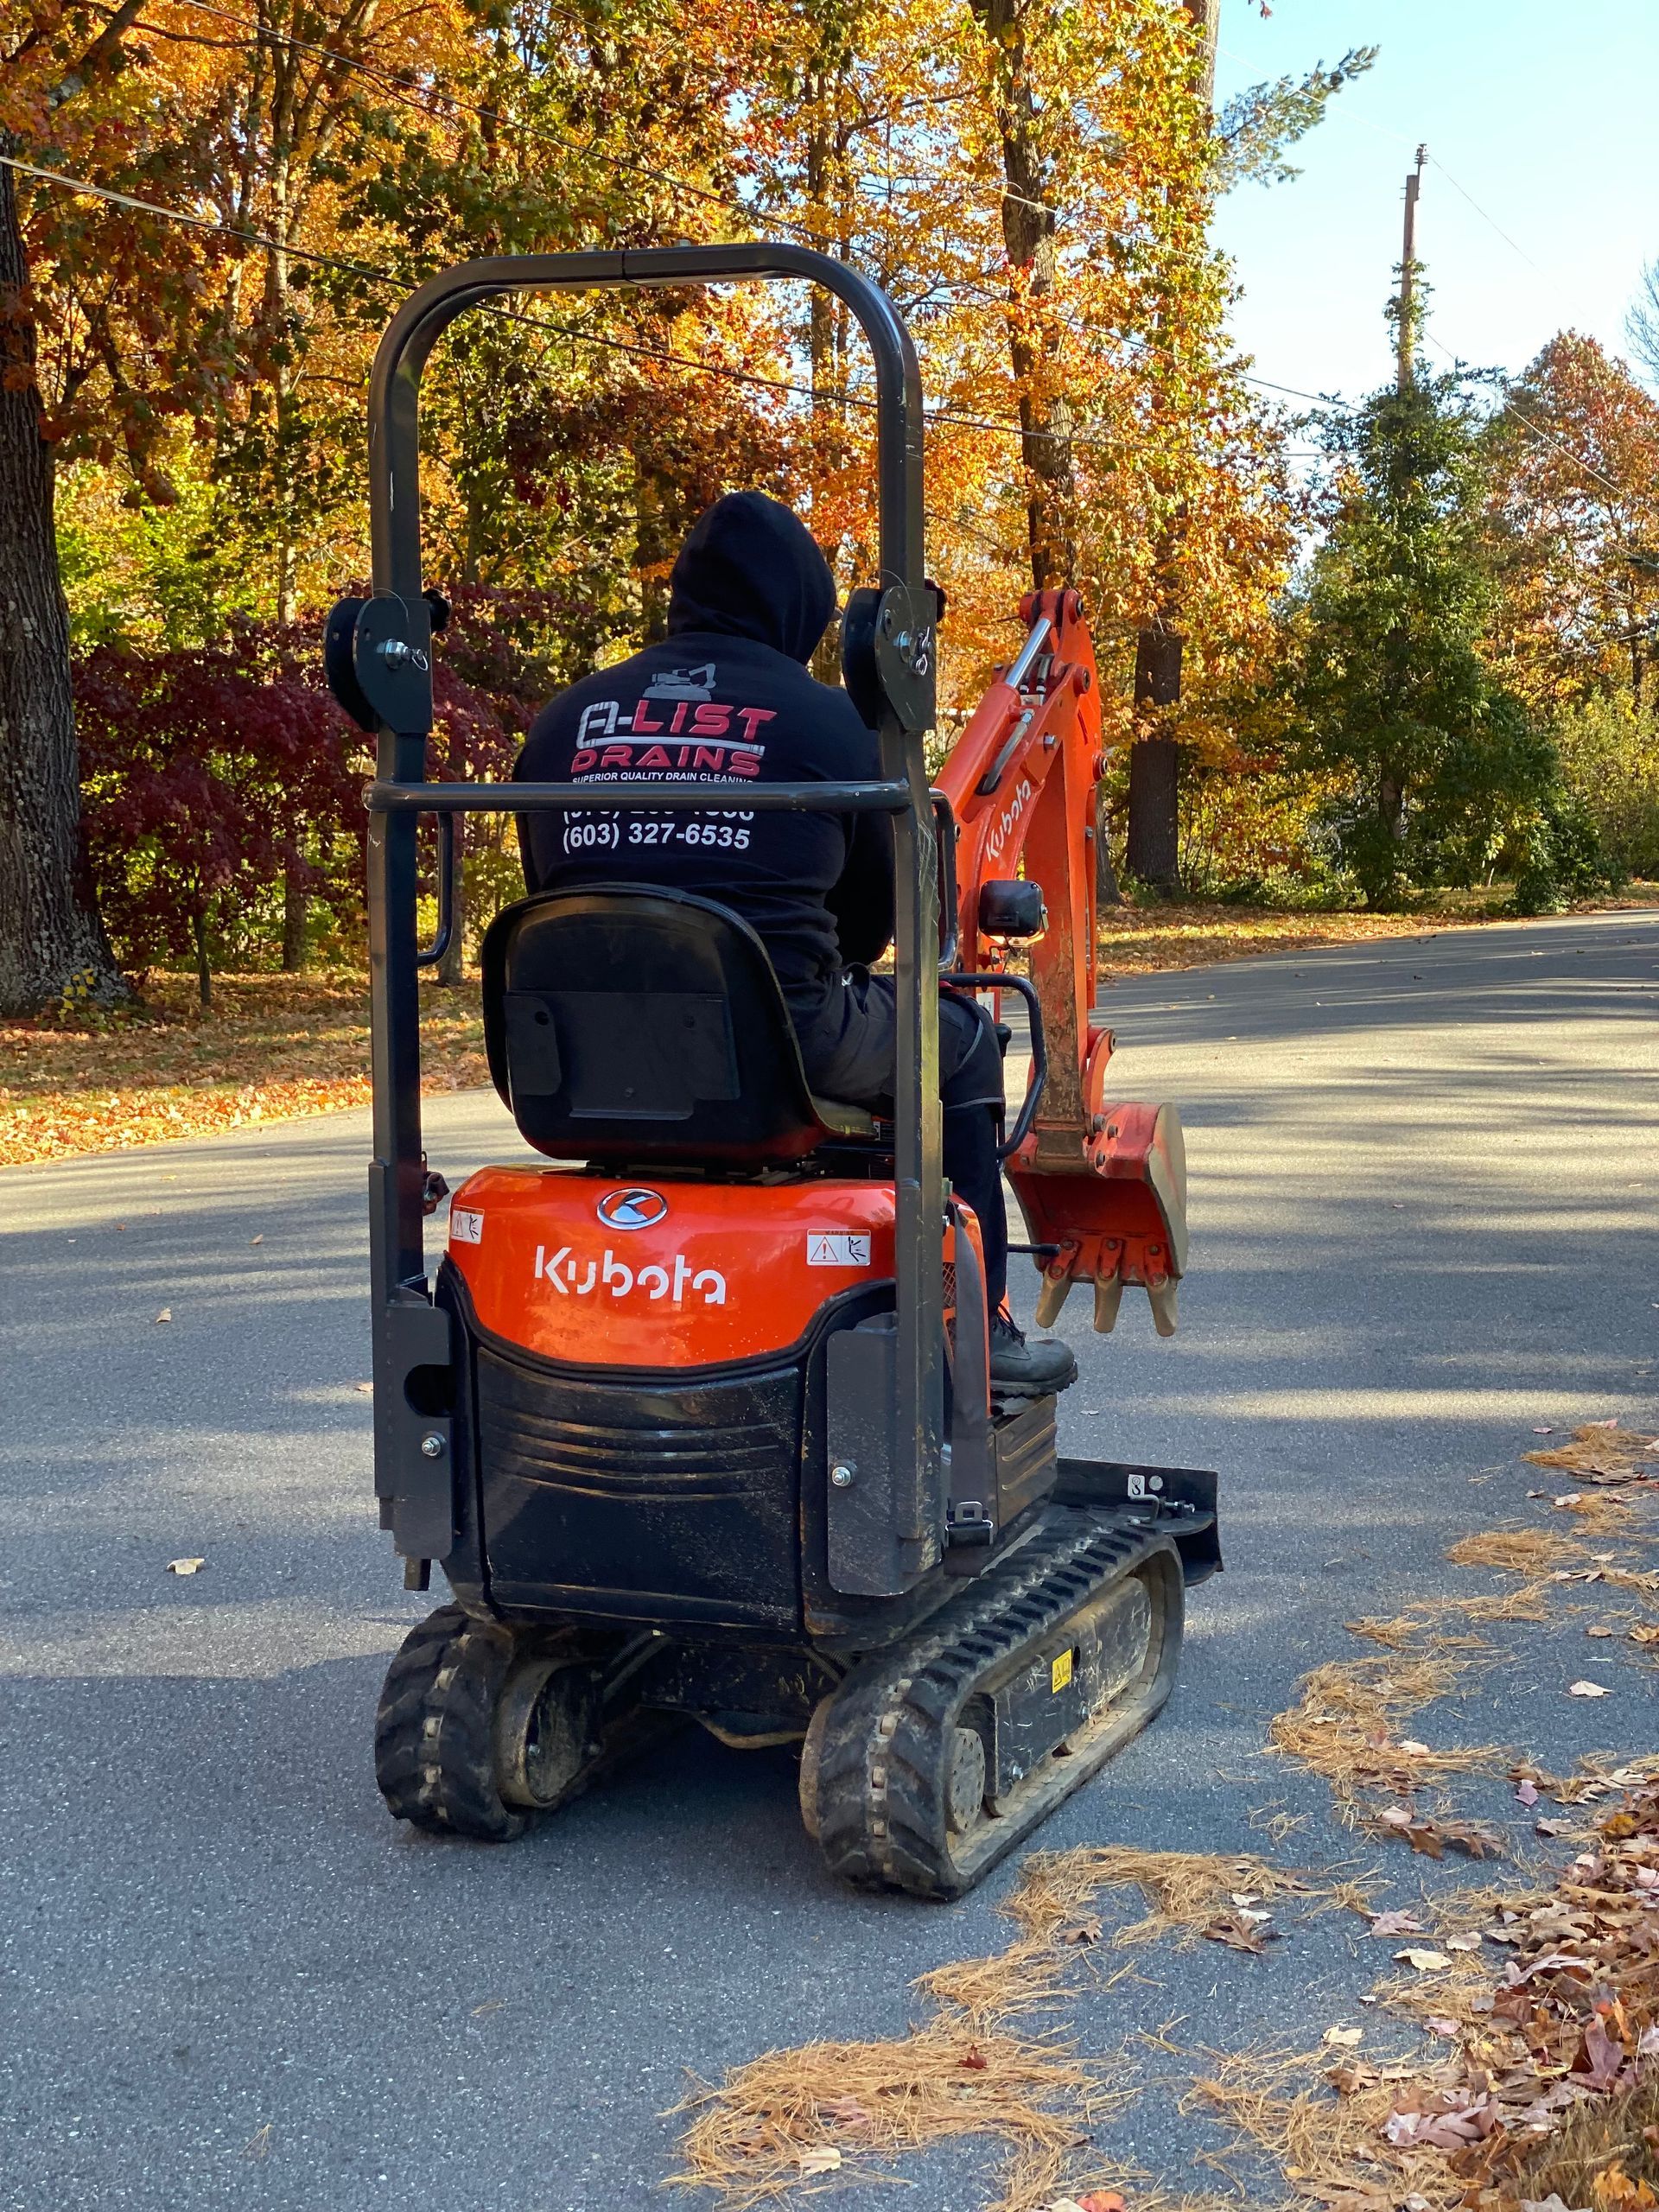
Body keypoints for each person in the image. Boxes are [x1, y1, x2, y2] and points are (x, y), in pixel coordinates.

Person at [515, 490, 1077, 1397]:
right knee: (962, 1041)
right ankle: (973, 1333)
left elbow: (553, 889)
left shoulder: (562, 722)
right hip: (777, 1049)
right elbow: (868, 927)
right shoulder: (828, 726)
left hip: (571, 1066)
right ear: (803, 607)